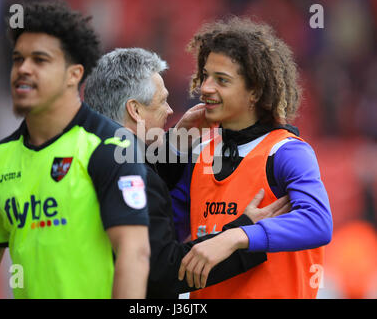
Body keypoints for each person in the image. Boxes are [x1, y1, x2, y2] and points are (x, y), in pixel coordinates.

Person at [0, 1, 150, 299]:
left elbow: (134, 251)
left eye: (40, 60)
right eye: (18, 59)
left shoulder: (110, 146)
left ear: (73, 75)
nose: (23, 69)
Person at [83, 47, 291, 298]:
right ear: (135, 110)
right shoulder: (135, 179)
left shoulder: (76, 160)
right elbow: (161, 273)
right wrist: (243, 234)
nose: (170, 110)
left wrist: (175, 144)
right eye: (162, 101)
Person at [172, 16, 333, 298]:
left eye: (221, 80)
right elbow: (161, 229)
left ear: (255, 92)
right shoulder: (197, 153)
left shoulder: (285, 152)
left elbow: (318, 222)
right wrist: (173, 144)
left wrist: (236, 236)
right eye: (205, 76)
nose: (205, 88)